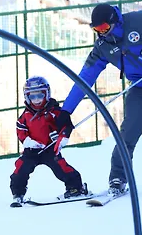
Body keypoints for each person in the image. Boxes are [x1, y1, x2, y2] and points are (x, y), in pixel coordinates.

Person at [55, 3, 142, 195]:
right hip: (140, 89)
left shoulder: (141, 20)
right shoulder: (102, 47)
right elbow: (85, 78)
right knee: (126, 136)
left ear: (114, 21)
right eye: (96, 29)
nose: (101, 34)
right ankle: (118, 178)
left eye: (104, 28)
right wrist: (66, 110)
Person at [10, 76, 88, 206]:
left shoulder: (55, 112)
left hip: (50, 149)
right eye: (32, 97)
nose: (36, 100)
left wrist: (62, 137)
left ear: (46, 94)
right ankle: (17, 193)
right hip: (32, 151)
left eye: (40, 96)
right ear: (27, 97)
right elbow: (21, 130)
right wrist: (28, 142)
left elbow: (66, 125)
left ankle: (76, 187)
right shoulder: (25, 116)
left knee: (61, 167)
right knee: (20, 168)